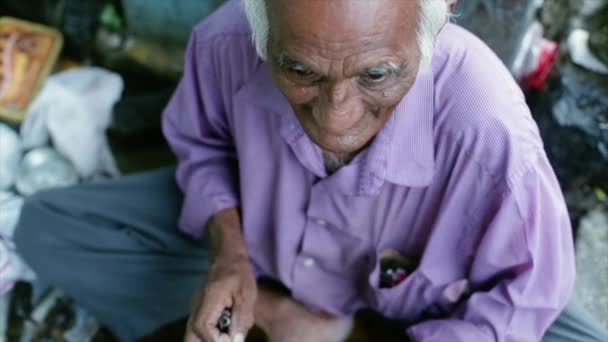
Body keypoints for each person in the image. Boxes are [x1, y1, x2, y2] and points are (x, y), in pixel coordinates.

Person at [14, 0, 608, 341]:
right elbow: (198, 147)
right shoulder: (226, 43)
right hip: (263, 257)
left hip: (411, 320)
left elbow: (523, 300)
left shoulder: (490, 138)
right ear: (261, 24)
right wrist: (230, 256)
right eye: (300, 71)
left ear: (439, 16)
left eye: (377, 75)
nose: (337, 117)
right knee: (48, 227)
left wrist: (348, 339)